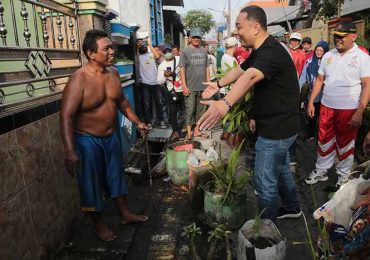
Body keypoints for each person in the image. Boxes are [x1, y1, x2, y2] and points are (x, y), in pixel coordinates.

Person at [198, 5, 301, 222]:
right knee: (282, 170)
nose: (236, 32)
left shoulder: (271, 52)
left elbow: (250, 78)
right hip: (282, 125)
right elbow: (241, 70)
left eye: (238, 26)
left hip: (276, 130)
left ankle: (265, 229)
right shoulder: (261, 50)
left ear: (255, 27)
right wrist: (218, 83)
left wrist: (224, 104)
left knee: (265, 183)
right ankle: (292, 207)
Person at [60, 29, 148, 242]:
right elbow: (66, 117)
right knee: (90, 183)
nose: (112, 51)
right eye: (106, 48)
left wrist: (137, 122)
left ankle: (125, 214)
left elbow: (121, 102)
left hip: (111, 138)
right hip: (87, 141)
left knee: (116, 175)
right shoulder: (78, 79)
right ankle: (99, 225)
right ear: (91, 53)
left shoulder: (114, 74)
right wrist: (70, 151)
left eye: (112, 47)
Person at [305, 21, 370, 187]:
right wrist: (311, 101)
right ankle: (321, 171)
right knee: (324, 140)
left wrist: (359, 112)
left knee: (346, 143)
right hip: (327, 106)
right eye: (336, 36)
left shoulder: (362, 56)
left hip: (349, 109)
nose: (338, 39)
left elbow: (367, 86)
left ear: (353, 36)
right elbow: (320, 80)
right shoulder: (328, 55)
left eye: (342, 37)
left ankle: (343, 175)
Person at [179, 27, 210, 140]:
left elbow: (207, 67)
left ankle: (197, 130)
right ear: (190, 38)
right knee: (190, 110)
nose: (196, 39)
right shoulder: (185, 51)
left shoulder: (204, 50)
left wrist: (209, 83)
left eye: (198, 37)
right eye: (194, 37)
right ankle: (188, 132)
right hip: (190, 87)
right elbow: (182, 69)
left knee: (201, 110)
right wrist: (184, 86)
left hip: (202, 86)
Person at [299, 40, 329, 141]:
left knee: (323, 119)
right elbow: (303, 77)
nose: (319, 52)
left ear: (325, 51)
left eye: (321, 50)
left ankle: (321, 137)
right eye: (317, 50)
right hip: (312, 94)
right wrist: (300, 90)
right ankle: (310, 134)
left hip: (325, 95)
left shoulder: (329, 63)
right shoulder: (309, 62)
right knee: (311, 116)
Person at [157, 46, 184, 140]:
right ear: (163, 54)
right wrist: (164, 76)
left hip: (183, 89)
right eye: (166, 52)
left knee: (186, 111)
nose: (168, 53)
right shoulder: (162, 65)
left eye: (169, 51)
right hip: (171, 91)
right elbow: (159, 82)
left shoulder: (179, 59)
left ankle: (186, 129)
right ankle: (175, 131)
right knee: (172, 112)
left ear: (173, 52)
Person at [137, 38, 165, 128]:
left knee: (159, 103)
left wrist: (149, 44)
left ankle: (161, 120)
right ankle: (148, 122)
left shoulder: (151, 54)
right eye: (141, 44)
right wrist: (138, 45)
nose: (143, 45)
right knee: (147, 104)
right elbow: (136, 49)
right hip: (145, 84)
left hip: (156, 83)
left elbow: (158, 57)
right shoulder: (138, 56)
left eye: (143, 44)